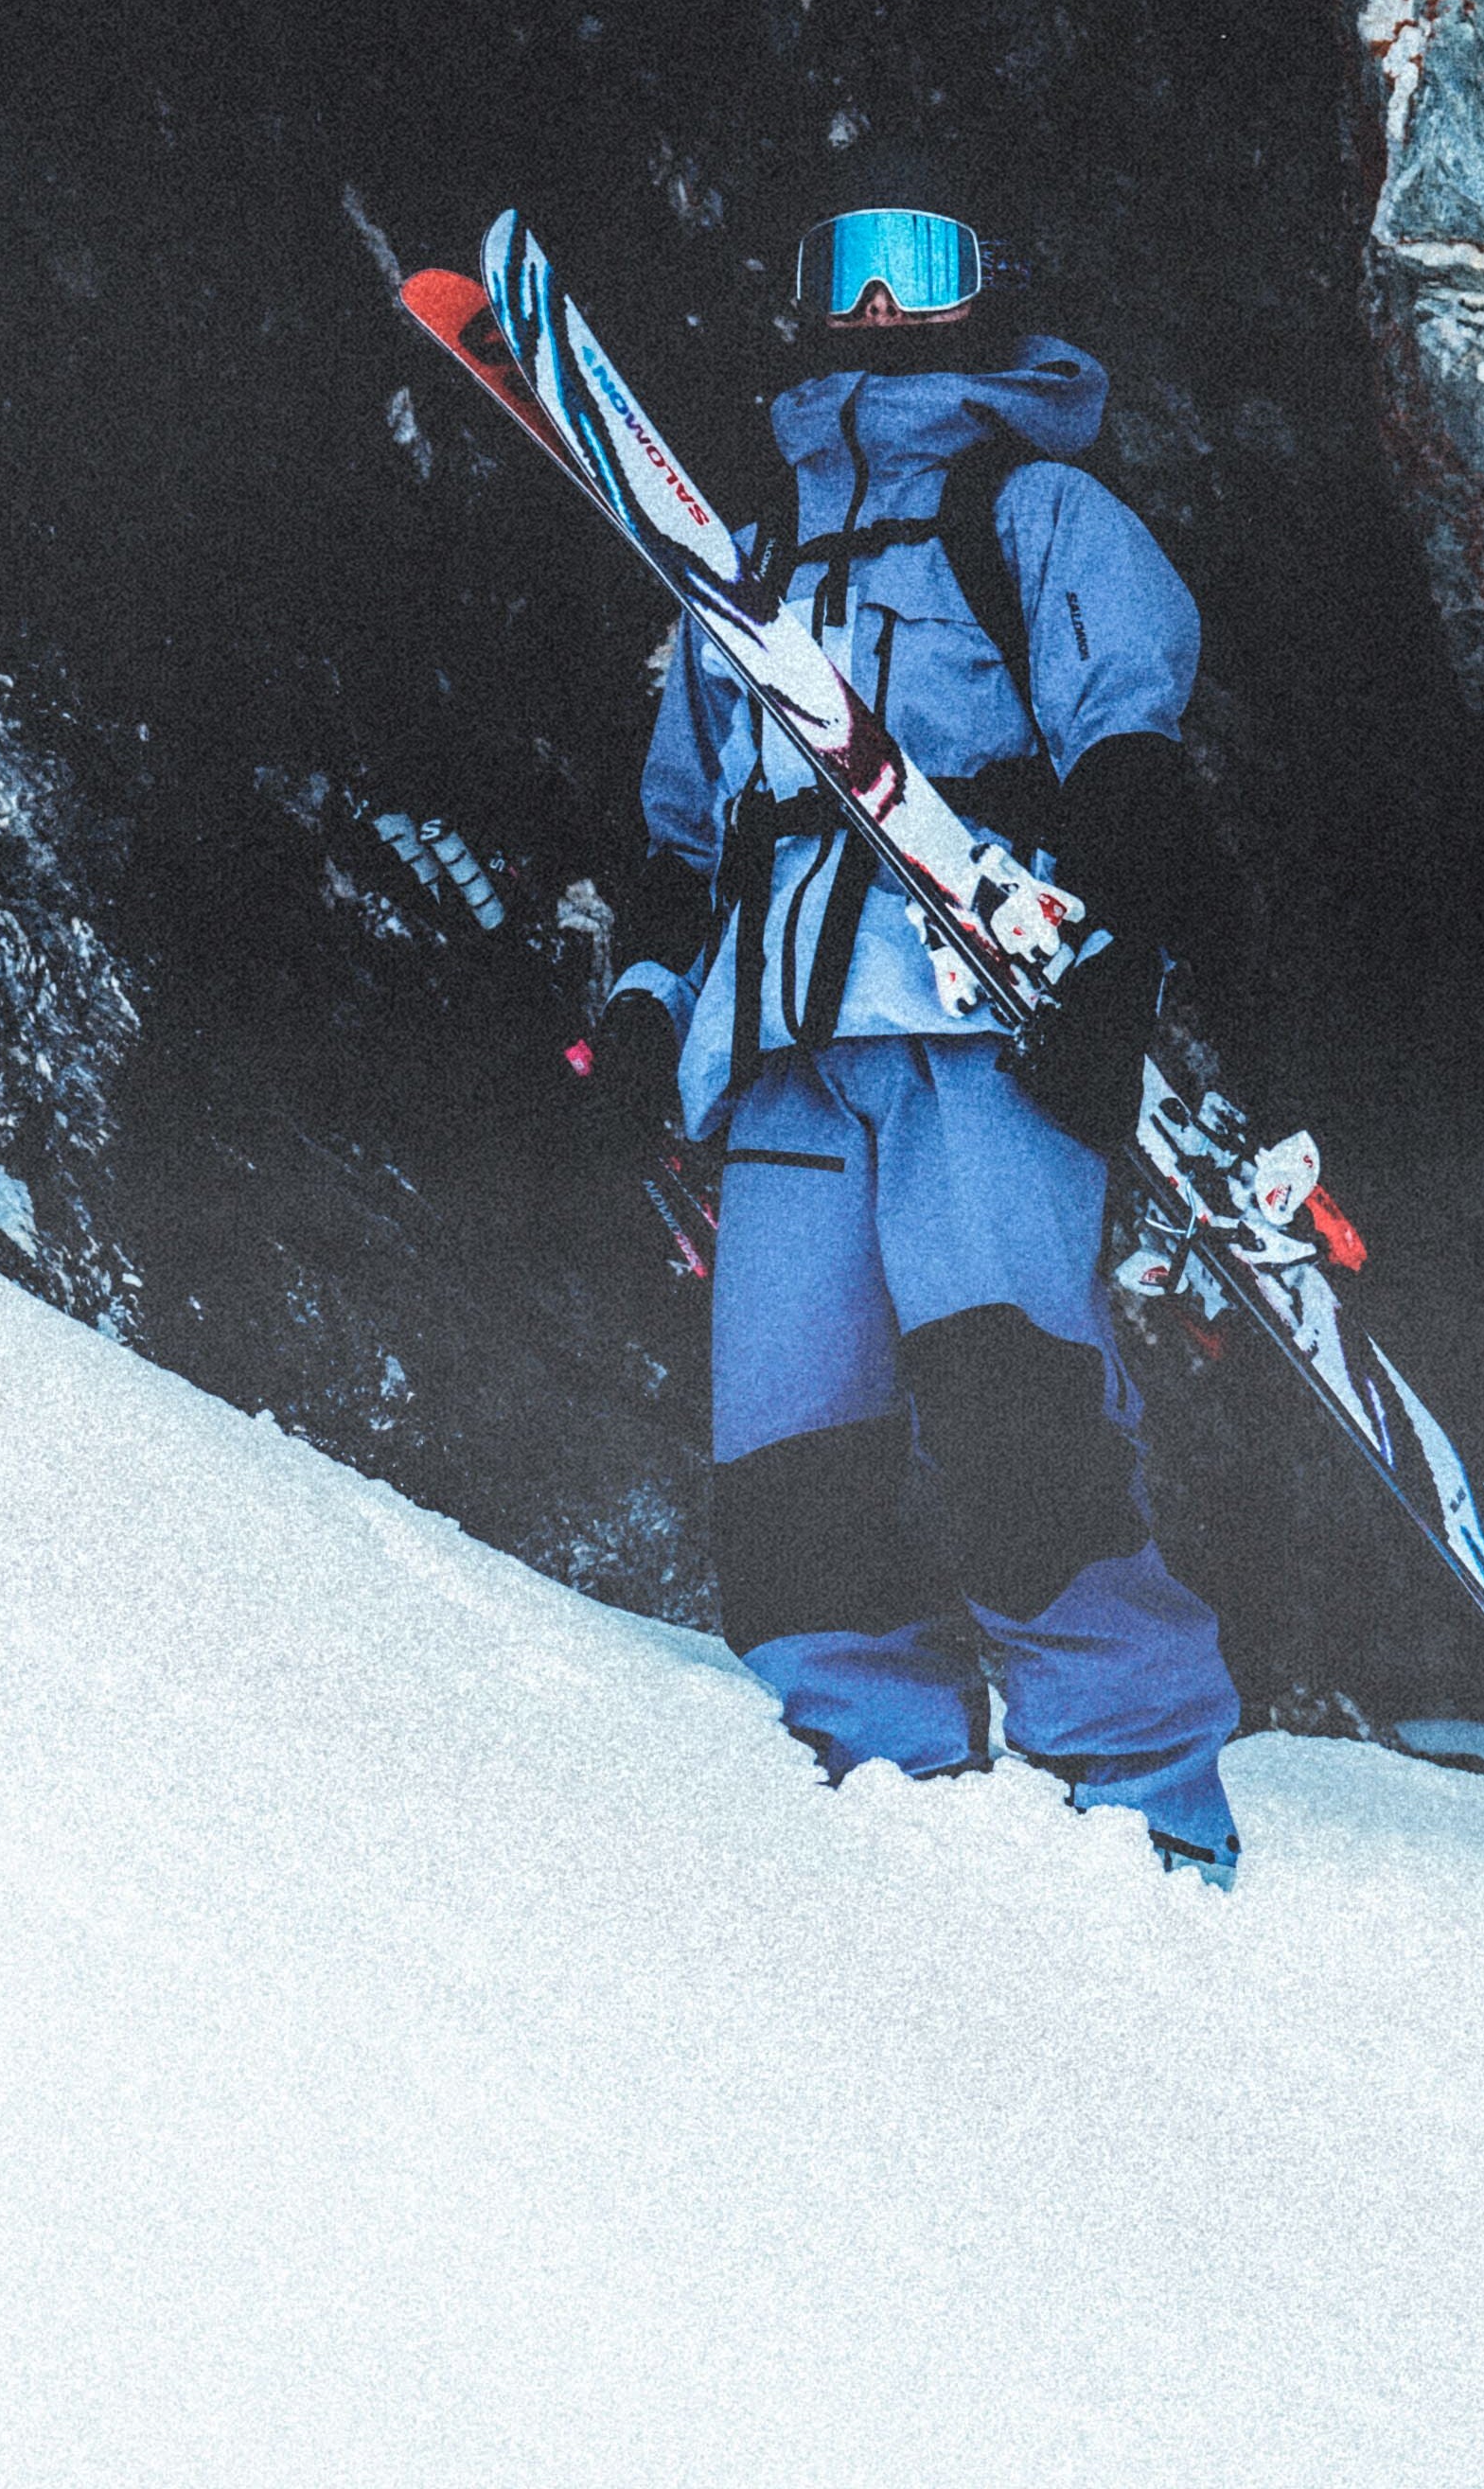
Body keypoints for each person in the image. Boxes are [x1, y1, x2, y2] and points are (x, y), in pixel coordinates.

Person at [574, 198, 1243, 1880]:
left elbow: (1133, 758)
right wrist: (650, 1011)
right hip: (788, 1053)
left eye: (922, 268)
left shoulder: (1037, 509)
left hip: (981, 1042)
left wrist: (1115, 982)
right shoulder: (751, 561)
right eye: (847, 272)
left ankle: (1148, 1805)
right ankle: (875, 1809)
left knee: (1016, 1409)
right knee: (789, 1450)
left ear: (985, 296)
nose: (881, 306)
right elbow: (681, 832)